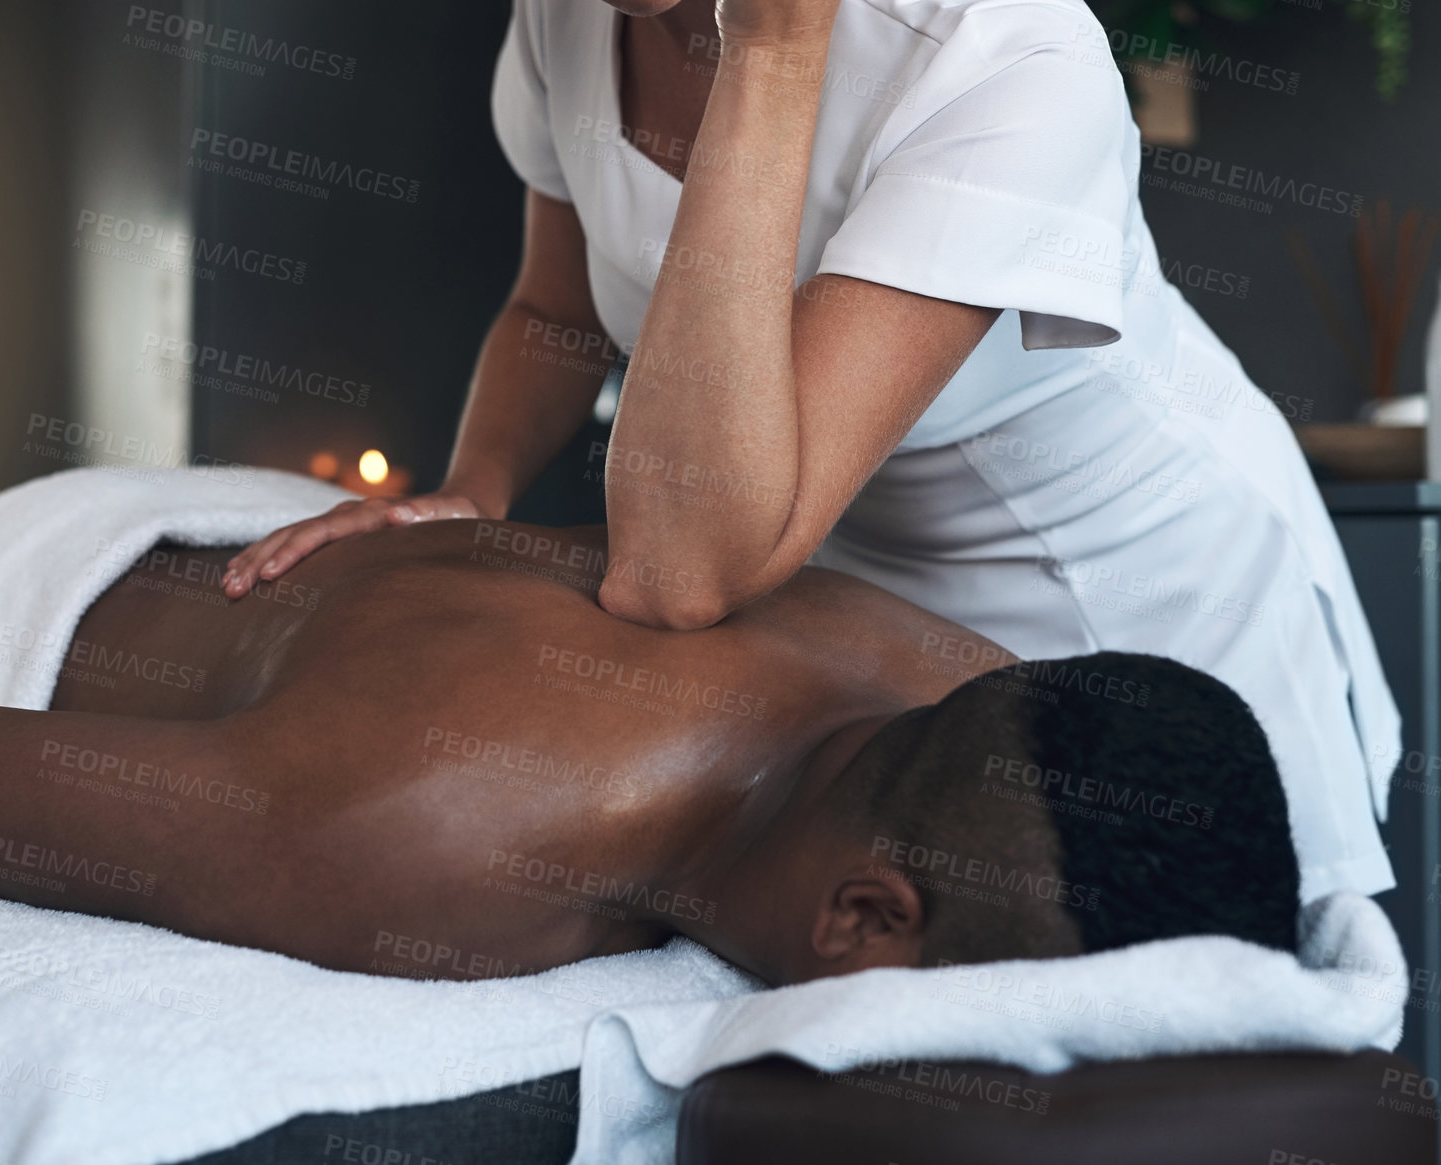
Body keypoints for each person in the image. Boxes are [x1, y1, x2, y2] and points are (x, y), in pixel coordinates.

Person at [218, 0, 1399, 906]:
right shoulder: (573, 17)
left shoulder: (1009, 58)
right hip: (839, 588)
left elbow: (677, 573)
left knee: (1176, 1039)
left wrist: (772, 52)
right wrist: (465, 494)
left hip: (1124, 594)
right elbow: (556, 308)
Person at [0, 506, 1299, 984]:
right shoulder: (438, 843)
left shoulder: (969, 679)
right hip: (49, 573)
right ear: (867, 920)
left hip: (332, 544)